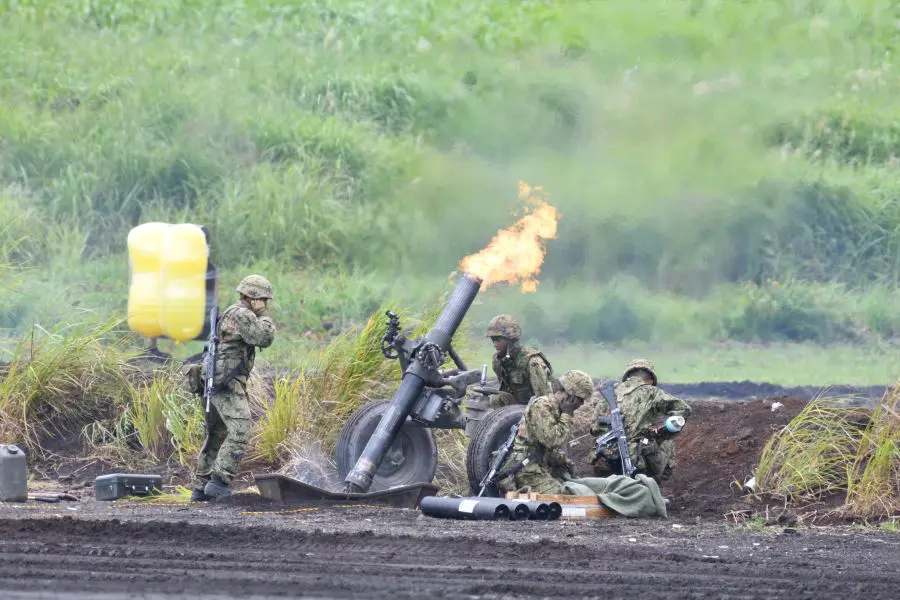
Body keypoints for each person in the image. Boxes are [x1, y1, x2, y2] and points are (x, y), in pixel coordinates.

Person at [190, 275, 276, 501]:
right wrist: (264, 316)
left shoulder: (231, 312)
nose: (266, 304)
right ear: (254, 298)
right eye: (264, 300)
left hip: (215, 383)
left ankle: (201, 486)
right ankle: (219, 481)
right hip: (226, 384)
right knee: (241, 431)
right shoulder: (243, 314)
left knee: (216, 434)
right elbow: (264, 337)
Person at [590, 359, 692, 485]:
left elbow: (594, 428)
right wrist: (662, 432)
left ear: (627, 376)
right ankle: (653, 487)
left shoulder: (609, 393)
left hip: (604, 458)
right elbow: (684, 409)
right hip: (636, 460)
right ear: (650, 380)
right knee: (667, 444)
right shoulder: (651, 392)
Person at [496, 370, 598, 495]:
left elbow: (545, 449)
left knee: (580, 487)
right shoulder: (542, 407)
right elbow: (553, 440)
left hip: (539, 465)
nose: (581, 404)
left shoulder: (556, 409)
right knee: (564, 495)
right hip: (526, 470)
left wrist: (565, 462)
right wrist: (567, 414)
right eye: (580, 399)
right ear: (570, 395)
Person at [485, 315, 556, 408]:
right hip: (516, 409)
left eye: (498, 339)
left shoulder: (532, 361)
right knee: (497, 399)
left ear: (510, 339)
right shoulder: (498, 360)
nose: (495, 344)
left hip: (536, 408)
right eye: (493, 339)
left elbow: (544, 398)